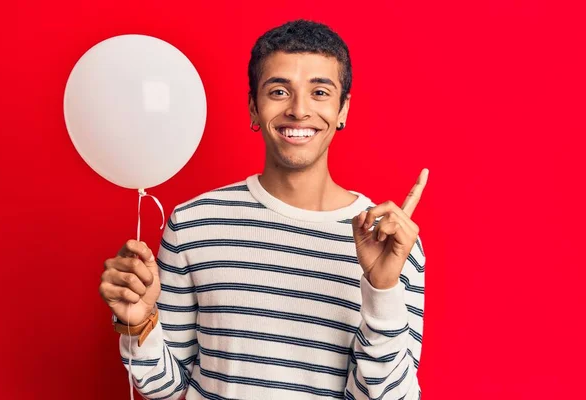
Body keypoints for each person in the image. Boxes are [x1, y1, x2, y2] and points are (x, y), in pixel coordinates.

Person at [100, 19, 429, 400]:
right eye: (278, 91)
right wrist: (140, 325)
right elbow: (170, 390)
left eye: (320, 91)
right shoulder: (193, 224)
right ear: (254, 107)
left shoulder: (391, 243)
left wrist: (382, 289)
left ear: (343, 109)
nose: (299, 110)